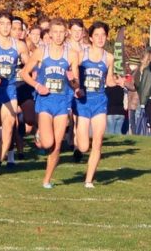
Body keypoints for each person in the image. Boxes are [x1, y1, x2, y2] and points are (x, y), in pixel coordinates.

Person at [21, 17, 80, 189]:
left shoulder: (72, 55)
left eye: (62, 32)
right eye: (55, 32)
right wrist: (38, 85)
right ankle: (39, 134)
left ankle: (47, 179)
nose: (59, 36)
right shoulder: (41, 52)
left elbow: (76, 83)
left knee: (56, 145)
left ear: (66, 34)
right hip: (45, 102)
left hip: (62, 103)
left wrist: (73, 80)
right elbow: (25, 73)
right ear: (50, 34)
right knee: (47, 143)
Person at [0, 10, 30, 176]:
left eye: (8, 24)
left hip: (9, 89)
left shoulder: (19, 45)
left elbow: (28, 63)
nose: (5, 27)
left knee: (9, 127)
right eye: (1, 23)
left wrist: (30, 66)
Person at [73, 22, 115, 188]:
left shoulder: (109, 57)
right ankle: (77, 141)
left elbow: (109, 80)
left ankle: (88, 180)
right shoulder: (81, 55)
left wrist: (118, 81)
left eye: (103, 35)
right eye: (96, 35)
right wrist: (76, 88)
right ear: (90, 37)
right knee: (84, 147)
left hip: (99, 102)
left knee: (97, 142)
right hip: (83, 102)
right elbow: (72, 74)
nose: (100, 38)